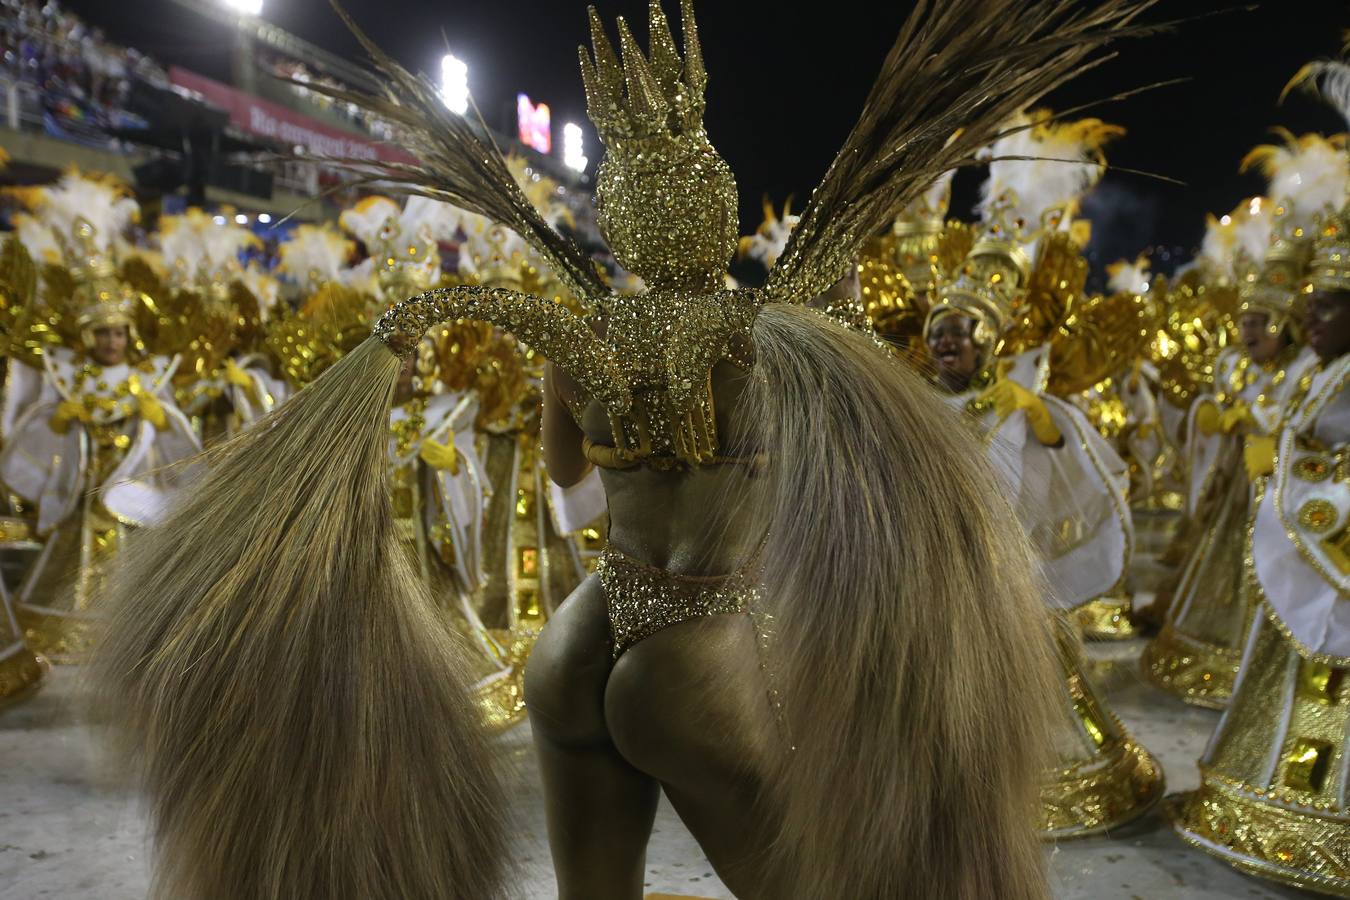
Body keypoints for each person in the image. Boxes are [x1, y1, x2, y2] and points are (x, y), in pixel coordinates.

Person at [88, 2, 1155, 898]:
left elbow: (564, 475)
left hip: (583, 633)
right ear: (715, 210)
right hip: (698, 645)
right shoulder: (765, 331)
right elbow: (841, 464)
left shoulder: (578, 330)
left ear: (626, 221)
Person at [922, 109, 1164, 837]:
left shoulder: (1023, 406)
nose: (945, 344)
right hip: (933, 574)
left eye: (959, 334)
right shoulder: (916, 404)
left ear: (989, 340)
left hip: (1007, 575)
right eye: (936, 333)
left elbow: (1077, 477)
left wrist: (1050, 433)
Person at [1170, 204, 1350, 896]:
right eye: (1310, 307)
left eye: (1328, 308)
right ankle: (1274, 788)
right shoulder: (1321, 371)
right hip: (1298, 544)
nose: (1312, 321)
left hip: (1329, 557)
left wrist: (1290, 462)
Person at [1142, 132, 1345, 708]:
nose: (1250, 330)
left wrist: (1258, 426)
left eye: (1263, 321)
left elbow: (1294, 424)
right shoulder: (1234, 364)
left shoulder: (1306, 366)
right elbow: (1202, 408)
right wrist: (1212, 413)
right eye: (1247, 320)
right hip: (1235, 493)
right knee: (1222, 566)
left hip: (1283, 499)